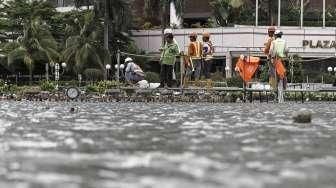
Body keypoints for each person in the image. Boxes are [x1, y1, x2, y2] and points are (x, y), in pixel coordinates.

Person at [269, 30, 289, 103]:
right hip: (282, 60)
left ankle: (275, 93)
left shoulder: (273, 42)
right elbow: (287, 50)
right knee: (283, 75)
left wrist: (271, 57)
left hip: (275, 61)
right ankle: (284, 89)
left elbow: (271, 51)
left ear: (276, 35)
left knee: (274, 76)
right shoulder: (284, 42)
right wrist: (286, 56)